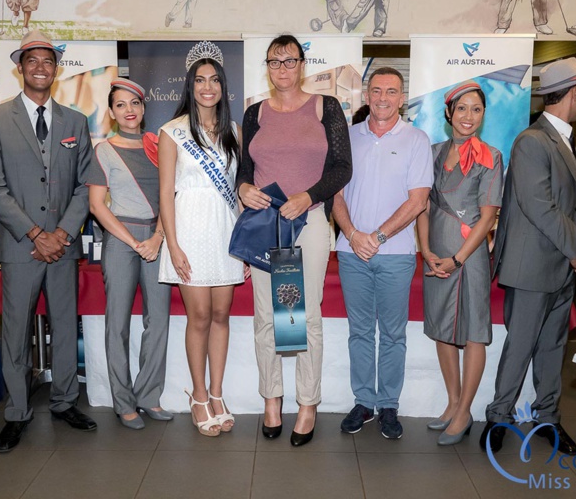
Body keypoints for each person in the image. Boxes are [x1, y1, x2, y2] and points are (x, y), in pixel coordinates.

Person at [0, 30, 96, 453]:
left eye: (48, 60)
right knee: (16, 330)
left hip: (62, 245)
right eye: (32, 60)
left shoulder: (75, 121)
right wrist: (35, 234)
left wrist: (61, 233)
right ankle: (17, 412)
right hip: (19, 245)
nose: (40, 67)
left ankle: (65, 402)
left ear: (56, 68)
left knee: (66, 325)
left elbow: (86, 184)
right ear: (21, 67)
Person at [237, 34, 352, 447]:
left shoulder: (327, 106)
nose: (282, 68)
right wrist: (244, 188)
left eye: (290, 60)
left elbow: (342, 168)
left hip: (310, 222)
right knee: (268, 316)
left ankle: (307, 405)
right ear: (266, 67)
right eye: (274, 61)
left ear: (302, 64)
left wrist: (309, 195)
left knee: (306, 317)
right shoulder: (254, 113)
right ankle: (272, 400)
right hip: (265, 225)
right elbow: (245, 168)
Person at [482, 57, 576, 456]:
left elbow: (570, 209)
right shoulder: (533, 141)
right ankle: (497, 419)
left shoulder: (562, 138)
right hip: (532, 266)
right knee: (522, 345)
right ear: (574, 93)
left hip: (559, 265)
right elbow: (540, 207)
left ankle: (548, 418)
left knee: (551, 348)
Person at [333, 67, 432, 440]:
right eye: (376, 90)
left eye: (391, 91)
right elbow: (336, 194)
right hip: (350, 251)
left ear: (402, 97)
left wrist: (375, 236)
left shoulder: (416, 140)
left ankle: (389, 404)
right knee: (359, 332)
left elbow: (418, 200)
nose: (383, 98)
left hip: (396, 253)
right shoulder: (347, 138)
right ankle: (364, 402)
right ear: (365, 94)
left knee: (392, 334)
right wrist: (354, 235)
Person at [158, 41, 244, 437]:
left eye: (214, 80)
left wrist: (243, 243)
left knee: (223, 315)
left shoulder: (234, 131)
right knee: (201, 316)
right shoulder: (172, 132)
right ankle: (197, 395)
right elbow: (166, 194)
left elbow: (237, 190)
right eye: (200, 80)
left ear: (223, 87)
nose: (207, 87)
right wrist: (173, 245)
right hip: (190, 231)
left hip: (225, 229)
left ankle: (217, 392)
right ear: (190, 86)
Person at [417, 81, 503, 446]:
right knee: (441, 328)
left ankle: (466, 409)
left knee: (472, 333)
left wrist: (457, 258)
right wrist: (426, 251)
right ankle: (452, 403)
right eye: (462, 108)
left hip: (467, 258)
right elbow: (422, 205)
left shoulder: (491, 157)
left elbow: (487, 218)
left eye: (477, 109)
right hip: (436, 255)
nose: (469, 116)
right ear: (449, 113)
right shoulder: (432, 152)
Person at [87, 79, 172, 430]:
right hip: (121, 238)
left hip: (158, 236)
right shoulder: (103, 150)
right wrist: (133, 241)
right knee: (117, 324)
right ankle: (123, 401)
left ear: (143, 107)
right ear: (111, 112)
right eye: (120, 105)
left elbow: (172, 196)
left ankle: (149, 395)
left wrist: (156, 237)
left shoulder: (159, 146)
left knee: (159, 322)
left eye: (134, 103)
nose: (129, 110)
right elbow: (96, 205)